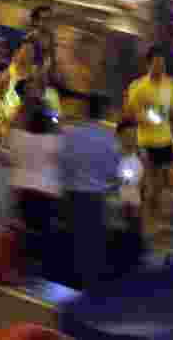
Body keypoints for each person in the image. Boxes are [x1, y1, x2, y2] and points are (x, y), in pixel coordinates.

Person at [58, 96, 120, 289]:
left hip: (71, 194)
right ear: (104, 113)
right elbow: (113, 172)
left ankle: (68, 282)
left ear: (85, 110)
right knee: (92, 244)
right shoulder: (109, 139)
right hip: (95, 198)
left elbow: (62, 162)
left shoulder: (70, 133)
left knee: (71, 239)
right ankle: (88, 284)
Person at [124, 45, 173, 221]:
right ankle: (140, 217)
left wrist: (166, 114)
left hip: (165, 140)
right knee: (146, 183)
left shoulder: (171, 85)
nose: (160, 68)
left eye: (162, 65)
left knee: (164, 184)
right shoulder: (138, 87)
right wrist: (150, 116)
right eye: (156, 65)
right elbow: (130, 113)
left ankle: (155, 217)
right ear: (148, 65)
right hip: (146, 141)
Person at [8, 100, 62, 276]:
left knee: (21, 230)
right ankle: (35, 269)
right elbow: (60, 132)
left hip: (21, 189)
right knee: (41, 234)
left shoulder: (19, 138)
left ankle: (18, 266)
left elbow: (13, 126)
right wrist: (55, 119)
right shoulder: (52, 141)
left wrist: (22, 111)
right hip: (45, 192)